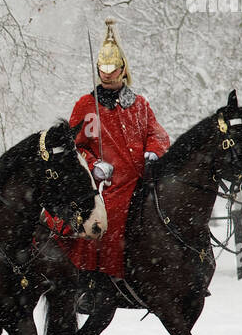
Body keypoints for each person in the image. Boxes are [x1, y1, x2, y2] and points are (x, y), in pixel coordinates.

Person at [67, 16, 169, 282]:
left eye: (113, 66)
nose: (108, 72)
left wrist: (153, 152)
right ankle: (101, 277)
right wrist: (93, 164)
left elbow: (156, 134)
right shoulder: (86, 106)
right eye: (104, 67)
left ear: (123, 69)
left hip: (143, 179)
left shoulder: (139, 105)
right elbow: (74, 147)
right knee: (105, 219)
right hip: (108, 185)